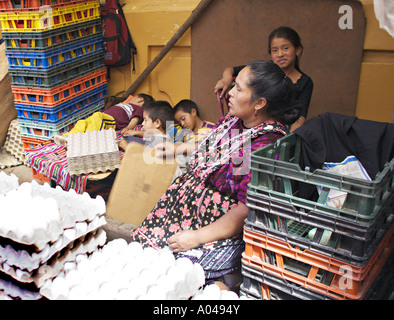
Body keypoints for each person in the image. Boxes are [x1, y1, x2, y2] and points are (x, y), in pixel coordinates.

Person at [131, 60, 300, 285]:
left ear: (259, 103)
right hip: (187, 213)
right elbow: (216, 146)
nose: (229, 92)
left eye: (238, 88)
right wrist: (178, 148)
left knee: (176, 273)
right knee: (145, 255)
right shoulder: (237, 121)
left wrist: (196, 237)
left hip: (217, 226)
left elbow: (245, 208)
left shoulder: (263, 145)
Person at [214, 26, 313, 132]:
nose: (280, 54)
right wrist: (226, 79)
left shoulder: (305, 82)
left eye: (286, 48)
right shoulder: (259, 71)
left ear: (298, 50)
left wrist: (288, 140)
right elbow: (230, 70)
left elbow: (300, 117)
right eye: (275, 50)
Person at [53, 93, 154, 146]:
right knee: (83, 122)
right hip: (102, 117)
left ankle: (81, 140)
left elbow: (135, 119)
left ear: (140, 99)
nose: (129, 98)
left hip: (112, 121)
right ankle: (68, 136)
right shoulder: (124, 104)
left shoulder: (138, 108)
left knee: (97, 117)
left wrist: (128, 128)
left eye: (133, 97)